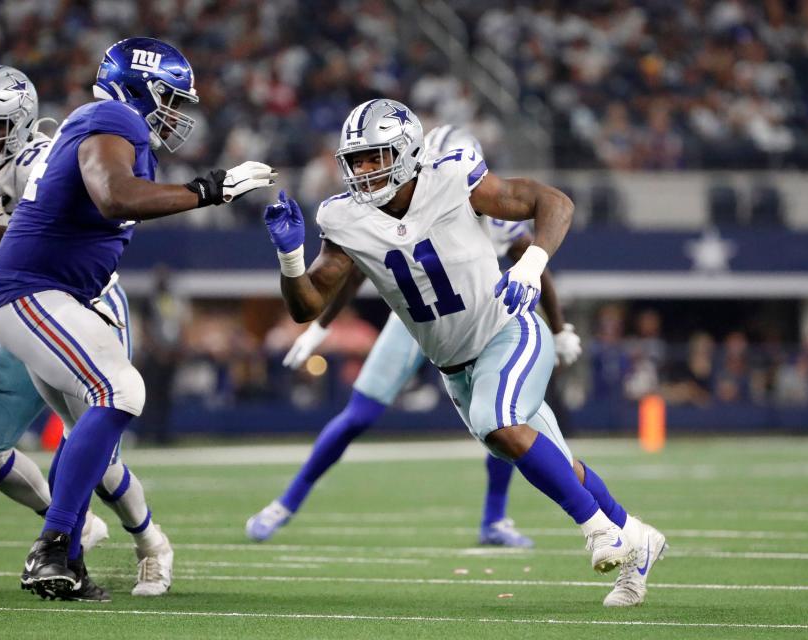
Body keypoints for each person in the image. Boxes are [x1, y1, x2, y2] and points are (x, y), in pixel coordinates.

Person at [262, 99, 665, 607]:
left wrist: (531, 265)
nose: (363, 170)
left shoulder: (453, 178)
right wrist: (290, 258)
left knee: (499, 423)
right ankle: (636, 538)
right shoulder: (343, 217)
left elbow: (554, 202)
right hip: (454, 367)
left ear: (407, 152)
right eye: (356, 159)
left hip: (508, 332)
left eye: (375, 156)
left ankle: (597, 530)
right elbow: (308, 304)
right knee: (552, 460)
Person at [0, 37, 276, 601]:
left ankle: (72, 555)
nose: (177, 112)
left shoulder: (106, 124)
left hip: (50, 293)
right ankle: (54, 546)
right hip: (34, 292)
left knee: (90, 424)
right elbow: (115, 196)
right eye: (171, 97)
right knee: (120, 388)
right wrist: (206, 190)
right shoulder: (115, 117)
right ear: (141, 86)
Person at [0, 65, 176, 599]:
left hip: (80, 302)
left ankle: (150, 544)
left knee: (100, 453)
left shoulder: (45, 158)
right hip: (23, 309)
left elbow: (40, 247)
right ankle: (73, 524)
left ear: (20, 124)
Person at [247, 125, 583, 546]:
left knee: (503, 416)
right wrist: (319, 327)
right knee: (360, 414)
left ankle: (495, 518)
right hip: (415, 322)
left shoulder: (482, 198)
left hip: (480, 322)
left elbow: (535, 257)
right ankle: (286, 503)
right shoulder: (385, 205)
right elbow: (352, 270)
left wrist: (559, 326)